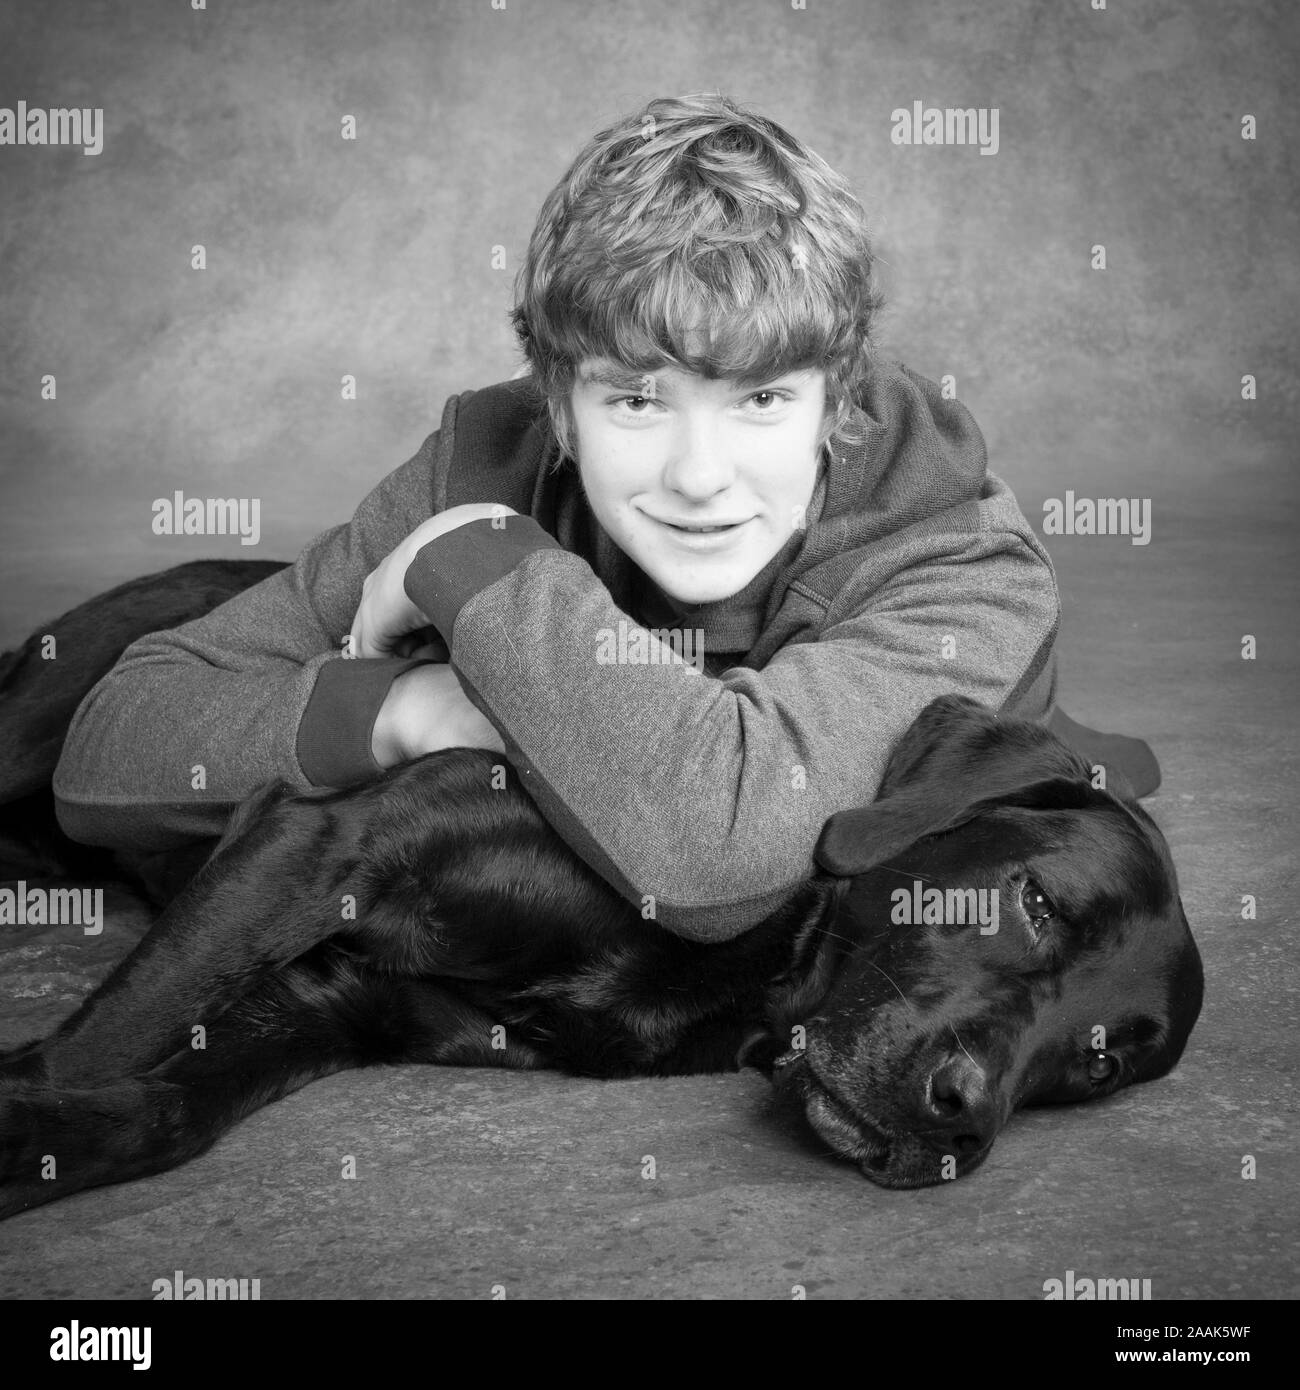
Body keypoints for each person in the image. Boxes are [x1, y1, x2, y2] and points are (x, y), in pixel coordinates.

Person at [51, 93, 1150, 944]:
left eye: (762, 399)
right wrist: (409, 711)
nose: (700, 478)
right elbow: (109, 752)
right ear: (561, 404)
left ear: (837, 400)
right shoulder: (483, 459)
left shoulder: (964, 571)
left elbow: (713, 857)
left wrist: (480, 561)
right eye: (635, 399)